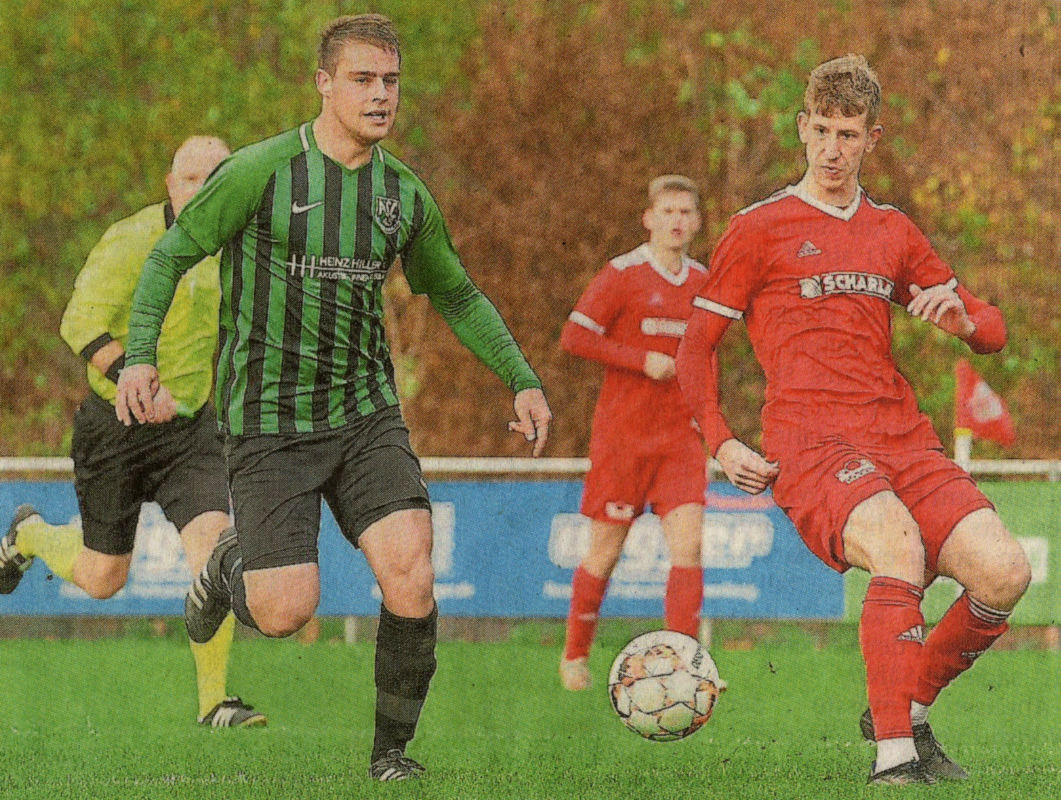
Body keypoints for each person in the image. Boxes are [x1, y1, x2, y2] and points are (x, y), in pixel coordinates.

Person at [114, 14, 552, 782]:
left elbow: (455, 294)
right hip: (268, 423)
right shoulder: (260, 171)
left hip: (363, 416)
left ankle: (391, 753)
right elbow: (171, 255)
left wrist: (520, 377)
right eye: (362, 80)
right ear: (324, 84)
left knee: (410, 570)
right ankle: (224, 568)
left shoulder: (401, 193)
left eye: (390, 81)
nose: (380, 96)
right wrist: (138, 357)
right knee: (284, 612)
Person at [676, 55, 1031, 785]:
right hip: (810, 441)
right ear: (801, 128)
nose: (832, 150)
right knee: (897, 545)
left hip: (900, 437)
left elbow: (991, 329)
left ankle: (906, 710)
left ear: (874, 138)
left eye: (849, 134)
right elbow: (695, 347)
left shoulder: (892, 231)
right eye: (821, 131)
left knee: (1003, 573)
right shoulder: (758, 229)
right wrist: (719, 438)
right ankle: (892, 761)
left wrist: (963, 321)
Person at [0, 136, 266, 728]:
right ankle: (31, 534)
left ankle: (214, 702)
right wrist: (133, 378)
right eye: (190, 178)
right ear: (170, 185)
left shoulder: (239, 250)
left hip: (190, 432)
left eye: (215, 178)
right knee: (102, 578)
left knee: (217, 550)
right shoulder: (131, 240)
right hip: (114, 426)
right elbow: (79, 323)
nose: (202, 190)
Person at [557, 175, 710, 691]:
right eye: (667, 211)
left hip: (679, 442)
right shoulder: (622, 274)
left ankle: (684, 665)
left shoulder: (703, 283)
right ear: (649, 218)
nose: (677, 221)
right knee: (605, 552)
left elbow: (706, 356)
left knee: (688, 549)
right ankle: (575, 656)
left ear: (696, 222)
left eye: (686, 212)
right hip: (623, 440)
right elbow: (574, 336)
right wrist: (639, 360)